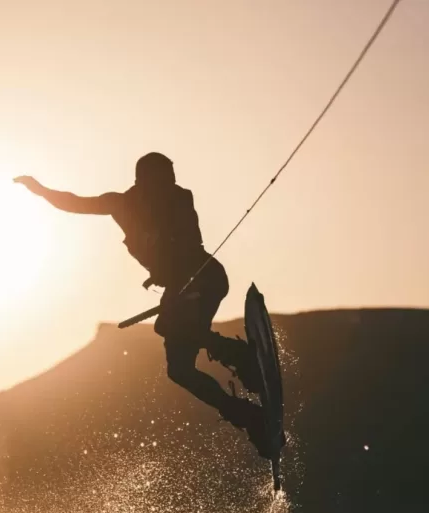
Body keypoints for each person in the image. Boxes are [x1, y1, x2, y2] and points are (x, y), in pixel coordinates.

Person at [15, 152, 275, 458]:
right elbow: (76, 203)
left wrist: (167, 271)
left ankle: (240, 356)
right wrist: (42, 191)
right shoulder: (121, 203)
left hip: (204, 279)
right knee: (179, 370)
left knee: (170, 325)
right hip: (182, 286)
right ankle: (248, 416)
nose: (171, 183)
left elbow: (183, 237)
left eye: (171, 178)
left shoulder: (179, 199)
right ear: (145, 179)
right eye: (165, 177)